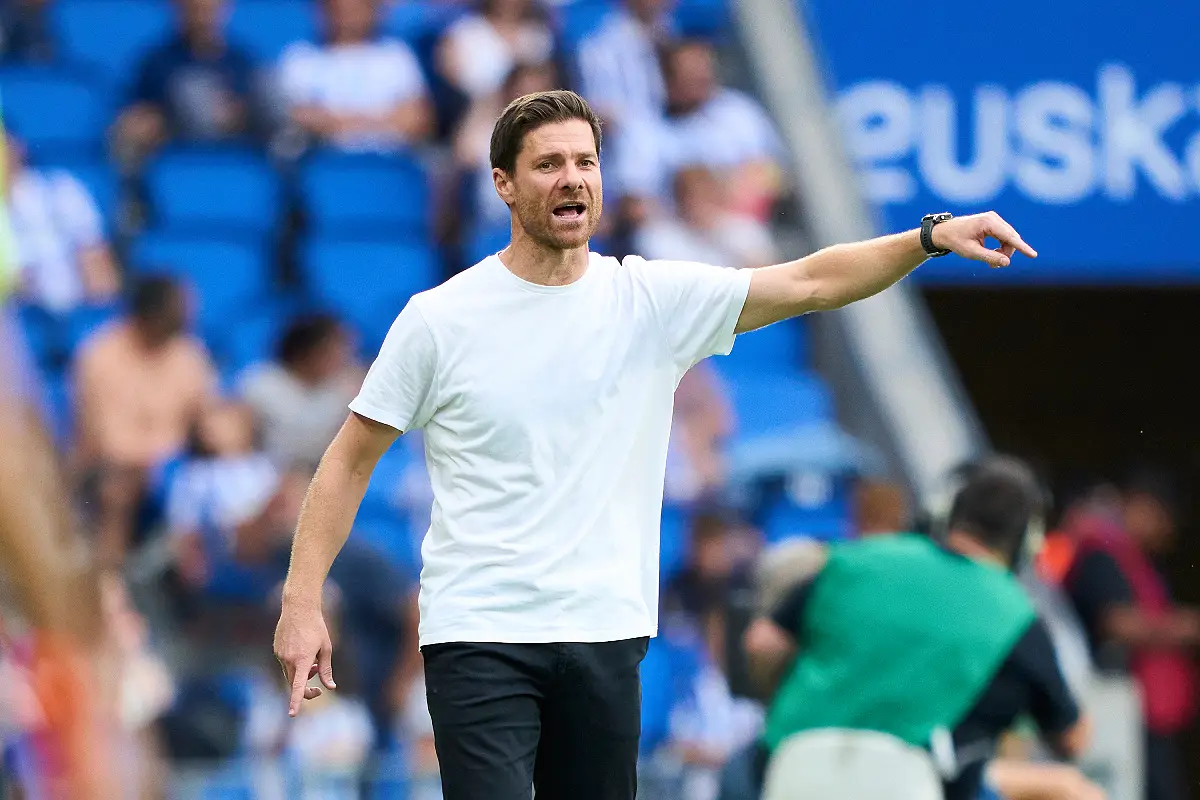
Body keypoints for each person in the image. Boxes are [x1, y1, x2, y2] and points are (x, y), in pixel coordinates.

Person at [272, 89, 1036, 800]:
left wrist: (929, 237)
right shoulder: (440, 319)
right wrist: (301, 604)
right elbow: (348, 459)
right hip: (481, 632)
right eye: (548, 164)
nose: (572, 179)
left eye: (585, 162)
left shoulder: (651, 300)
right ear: (503, 184)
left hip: (607, 632)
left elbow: (811, 281)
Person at [737, 457, 1094, 800]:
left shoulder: (860, 559)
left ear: (945, 512)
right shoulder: (1016, 612)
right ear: (1029, 540)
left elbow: (762, 643)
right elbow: (1071, 738)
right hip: (909, 783)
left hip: (790, 767)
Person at [1063, 471, 1197, 800]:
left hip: (1141, 706)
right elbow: (1116, 622)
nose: (1166, 533)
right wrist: (1187, 626)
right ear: (1141, 505)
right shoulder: (1100, 551)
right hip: (1112, 703)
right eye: (1162, 519)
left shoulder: (1135, 557)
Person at [72, 274, 217, 566]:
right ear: (151, 313)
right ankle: (108, 580)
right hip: (115, 464)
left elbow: (208, 424)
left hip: (177, 468)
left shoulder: (190, 355)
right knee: (117, 488)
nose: (188, 316)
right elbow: (102, 439)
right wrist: (149, 463)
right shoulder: (101, 354)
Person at [277, 0, 433, 153]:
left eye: (356, 9)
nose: (348, 17)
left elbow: (417, 118)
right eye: (339, 9)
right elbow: (298, 117)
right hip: (323, 159)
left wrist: (341, 123)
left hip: (390, 159)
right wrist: (377, 122)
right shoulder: (301, 57)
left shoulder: (396, 54)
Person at [117, 0, 259, 161]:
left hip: (235, 146)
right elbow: (140, 111)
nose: (201, 17)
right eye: (194, 9)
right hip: (176, 140)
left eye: (207, 9)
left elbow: (252, 110)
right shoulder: (156, 64)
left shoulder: (243, 63)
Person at [5, 131, 120, 314]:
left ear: (18, 146)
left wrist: (99, 315)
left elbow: (97, 264)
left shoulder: (59, 189)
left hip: (72, 312)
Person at [237, 313, 364, 472]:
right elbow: (240, 443)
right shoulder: (260, 384)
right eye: (333, 352)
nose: (342, 359)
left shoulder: (348, 387)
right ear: (308, 351)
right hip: (268, 473)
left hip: (324, 474)